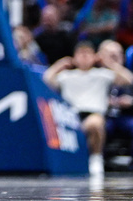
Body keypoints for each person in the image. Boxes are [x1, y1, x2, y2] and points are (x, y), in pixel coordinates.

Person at [43, 40, 133, 177]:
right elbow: (46, 79)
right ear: (74, 57)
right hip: (70, 117)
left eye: (88, 53)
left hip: (93, 114)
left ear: (94, 56)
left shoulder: (102, 74)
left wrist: (109, 63)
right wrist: (60, 64)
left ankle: (95, 159)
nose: (84, 56)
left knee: (95, 124)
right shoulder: (66, 76)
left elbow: (128, 79)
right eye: (80, 53)